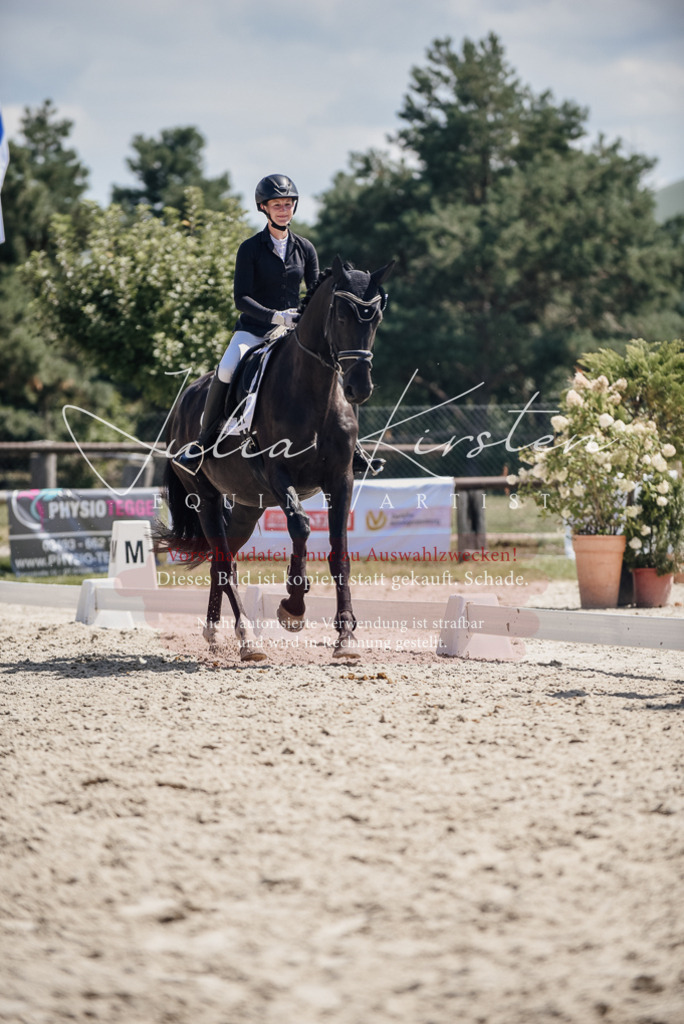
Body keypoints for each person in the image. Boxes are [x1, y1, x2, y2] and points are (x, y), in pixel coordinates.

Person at [174, 173, 384, 476]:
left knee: (337, 369)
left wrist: (300, 318)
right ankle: (203, 443)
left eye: (288, 204)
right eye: (277, 205)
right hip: (254, 329)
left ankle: (355, 448)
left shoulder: (305, 248)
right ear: (264, 208)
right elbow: (241, 298)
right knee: (226, 368)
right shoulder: (250, 248)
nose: (284, 210)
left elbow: (315, 295)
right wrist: (275, 316)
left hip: (293, 331)